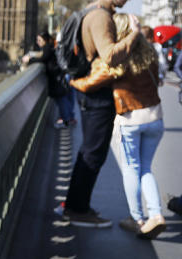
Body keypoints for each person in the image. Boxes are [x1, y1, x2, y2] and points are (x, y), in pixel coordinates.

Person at [69, 13, 166, 238]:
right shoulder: (150, 53)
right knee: (146, 168)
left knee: (132, 167)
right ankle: (157, 214)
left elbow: (92, 83)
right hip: (155, 118)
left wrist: (74, 81)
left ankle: (137, 219)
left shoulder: (119, 60)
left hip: (130, 120)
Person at [56, 0, 138, 228]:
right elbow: (110, 54)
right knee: (94, 153)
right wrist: (135, 33)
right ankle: (78, 210)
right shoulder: (101, 17)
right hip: (97, 95)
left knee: (89, 151)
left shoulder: (92, 11)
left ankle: (72, 204)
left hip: (89, 93)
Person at [22, 31, 76, 127]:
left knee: (61, 99)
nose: (38, 42)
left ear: (45, 40)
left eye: (39, 40)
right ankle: (69, 118)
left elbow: (43, 58)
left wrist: (29, 60)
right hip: (60, 76)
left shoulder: (47, 48)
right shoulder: (50, 47)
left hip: (56, 78)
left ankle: (66, 120)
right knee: (64, 98)